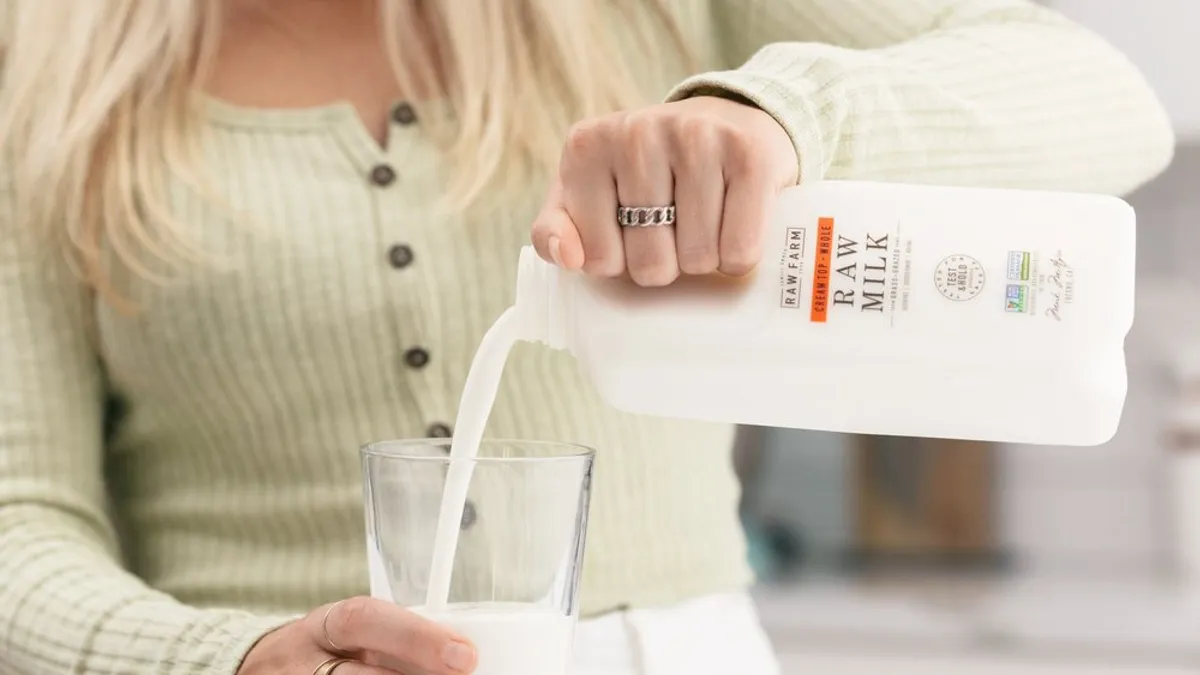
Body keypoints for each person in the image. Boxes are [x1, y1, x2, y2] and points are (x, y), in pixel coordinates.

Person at [0, 0, 1173, 674]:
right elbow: (16, 513)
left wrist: (777, 115)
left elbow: (1101, 96)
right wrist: (222, 664)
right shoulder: (39, 56)